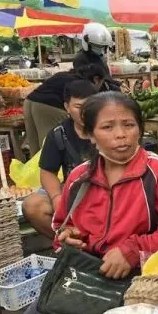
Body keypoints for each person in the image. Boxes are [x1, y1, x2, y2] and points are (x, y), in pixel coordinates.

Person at [20, 92, 158, 314]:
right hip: (88, 276)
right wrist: (68, 238)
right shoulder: (79, 178)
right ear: (89, 134)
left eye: (129, 125)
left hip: (145, 281)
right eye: (107, 127)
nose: (121, 135)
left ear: (140, 129)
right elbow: (62, 225)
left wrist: (133, 249)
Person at [22, 80, 97, 239]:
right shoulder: (58, 134)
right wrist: (57, 198)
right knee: (32, 206)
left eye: (90, 105)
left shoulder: (108, 129)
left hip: (107, 192)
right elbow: (47, 172)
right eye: (78, 107)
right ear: (66, 107)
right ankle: (68, 245)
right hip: (74, 192)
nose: (85, 112)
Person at [24, 63, 107, 154]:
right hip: (48, 107)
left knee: (34, 145)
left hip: (29, 101)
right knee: (49, 145)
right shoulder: (82, 84)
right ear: (96, 79)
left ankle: (33, 167)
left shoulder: (64, 75)